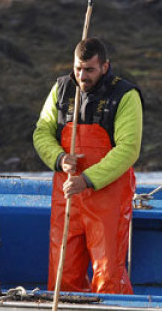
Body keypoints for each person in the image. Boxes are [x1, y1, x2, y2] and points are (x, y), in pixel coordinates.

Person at [33, 37, 143, 294]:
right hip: (67, 193)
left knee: (108, 273)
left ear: (105, 67)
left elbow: (128, 149)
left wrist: (88, 179)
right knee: (63, 272)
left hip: (107, 196)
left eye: (89, 70)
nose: (82, 76)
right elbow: (42, 132)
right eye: (78, 69)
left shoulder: (126, 95)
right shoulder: (60, 89)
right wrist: (58, 158)